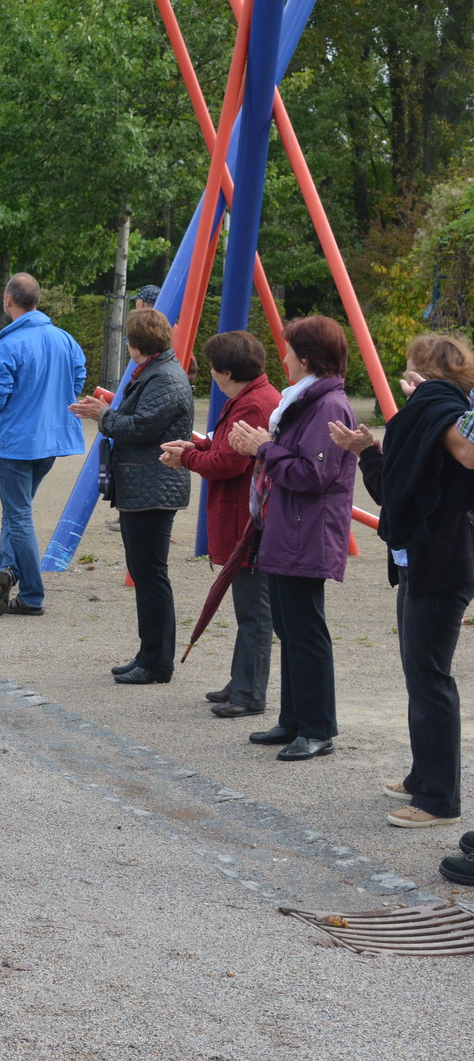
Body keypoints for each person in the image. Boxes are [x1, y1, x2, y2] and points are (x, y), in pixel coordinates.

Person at [328, 335, 474, 830]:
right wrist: (367, 449)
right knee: (418, 672)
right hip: (422, 558)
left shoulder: (445, 408)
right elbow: (396, 489)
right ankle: (423, 775)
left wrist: (427, 398)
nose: (405, 378)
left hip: (444, 560)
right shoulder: (431, 411)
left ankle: (439, 800)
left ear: (425, 370)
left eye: (411, 368)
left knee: (430, 675)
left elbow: (467, 453)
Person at [227, 316, 357, 762]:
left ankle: (318, 729)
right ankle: (294, 719)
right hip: (290, 528)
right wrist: (264, 447)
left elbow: (312, 475)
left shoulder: (328, 406)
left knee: (305, 631)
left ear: (307, 358)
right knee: (289, 628)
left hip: (308, 531)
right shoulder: (307, 400)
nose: (284, 358)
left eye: (289, 351)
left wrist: (263, 448)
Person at [70, 308, 194, 684]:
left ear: (138, 344)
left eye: (128, 340)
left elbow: (140, 428)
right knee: (144, 573)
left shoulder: (165, 376)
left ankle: (157, 662)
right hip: (145, 485)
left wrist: (104, 415)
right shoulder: (156, 372)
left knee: (151, 576)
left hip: (153, 487)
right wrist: (106, 414)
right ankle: (148, 653)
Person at [161, 330, 281, 716]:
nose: (211, 374)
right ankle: (241, 682)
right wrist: (195, 447)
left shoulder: (253, 405)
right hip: (246, 517)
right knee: (248, 608)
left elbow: (228, 463)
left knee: (254, 611)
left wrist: (187, 458)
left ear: (227, 372)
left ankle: (250, 693)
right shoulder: (252, 397)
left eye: (213, 368)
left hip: (249, 522)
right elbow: (223, 447)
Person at [0, 272, 88, 618]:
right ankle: (7, 570)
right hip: (52, 441)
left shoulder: (9, 343)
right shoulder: (65, 339)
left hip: (16, 442)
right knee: (17, 511)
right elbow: (78, 379)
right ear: (38, 301)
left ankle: (31, 594)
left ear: (9, 300)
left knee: (19, 515)